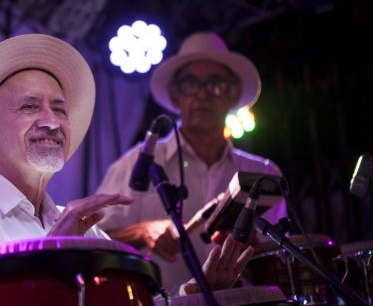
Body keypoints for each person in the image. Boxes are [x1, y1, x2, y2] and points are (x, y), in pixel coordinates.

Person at [0, 34, 253, 304]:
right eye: (30, 106)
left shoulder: (82, 230)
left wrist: (199, 290)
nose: (52, 121)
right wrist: (50, 257)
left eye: (60, 109)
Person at [95, 32, 286, 293]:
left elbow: (279, 261)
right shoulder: (138, 162)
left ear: (232, 95)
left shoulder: (263, 173)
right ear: (176, 96)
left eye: (215, 84)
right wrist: (141, 232)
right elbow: (91, 241)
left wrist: (252, 245)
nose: (202, 94)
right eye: (190, 84)